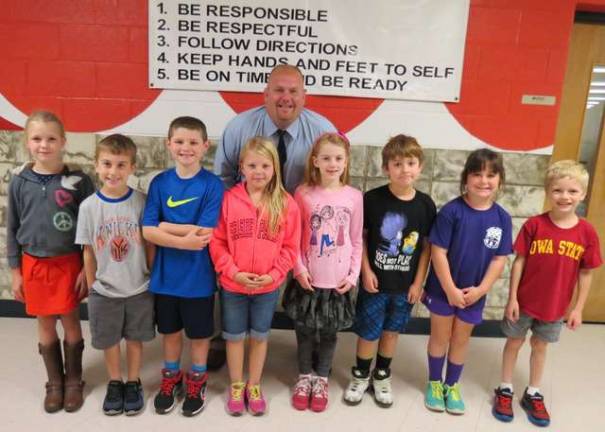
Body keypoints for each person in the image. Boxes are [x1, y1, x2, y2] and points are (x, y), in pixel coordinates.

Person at [211, 64, 336, 369]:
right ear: (265, 94)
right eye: (278, 90)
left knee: (310, 281)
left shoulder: (322, 130)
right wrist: (238, 210)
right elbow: (222, 176)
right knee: (227, 277)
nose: (286, 98)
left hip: (300, 220)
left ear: (304, 96)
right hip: (244, 217)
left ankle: (311, 346)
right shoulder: (239, 127)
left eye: (293, 91)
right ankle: (222, 337)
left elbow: (335, 176)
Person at [492, 160, 602, 427]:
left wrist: (578, 308)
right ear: (547, 192)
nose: (564, 196)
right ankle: (505, 388)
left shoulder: (586, 232)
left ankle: (533, 392)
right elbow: (519, 261)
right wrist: (512, 298)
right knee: (514, 343)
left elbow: (586, 272)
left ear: (583, 194)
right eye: (557, 190)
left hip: (556, 306)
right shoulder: (534, 225)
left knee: (540, 346)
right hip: (525, 302)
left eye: (572, 191)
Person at [7, 110, 94, 413]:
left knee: (70, 319)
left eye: (51, 138)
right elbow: (13, 227)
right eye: (37, 138)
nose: (44, 144)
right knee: (44, 322)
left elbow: (90, 229)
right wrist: (15, 270)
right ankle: (54, 383)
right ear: (27, 142)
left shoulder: (79, 180)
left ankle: (74, 381)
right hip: (33, 264)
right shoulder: (19, 181)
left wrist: (87, 266)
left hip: (69, 263)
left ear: (63, 141)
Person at [209, 137, 301, 416]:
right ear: (242, 167)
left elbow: (291, 246)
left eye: (265, 165)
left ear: (275, 168)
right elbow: (217, 241)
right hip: (232, 285)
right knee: (234, 337)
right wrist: (233, 272)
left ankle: (254, 384)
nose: (258, 171)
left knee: (260, 336)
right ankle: (236, 385)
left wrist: (274, 274)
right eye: (252, 165)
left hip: (267, 287)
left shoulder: (286, 204)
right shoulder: (228, 200)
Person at [342, 135, 436, 407]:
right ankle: (361, 375)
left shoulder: (426, 205)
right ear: (386, 168)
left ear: (420, 167)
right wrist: (365, 271)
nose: (405, 169)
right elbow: (359, 238)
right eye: (397, 163)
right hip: (375, 283)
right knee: (368, 332)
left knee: (391, 332)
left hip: (404, 286)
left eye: (410, 163)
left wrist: (418, 283)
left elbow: (427, 248)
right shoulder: (371, 200)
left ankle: (382, 375)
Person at [142, 116, 224, 417]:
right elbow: (147, 230)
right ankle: (172, 376)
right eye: (179, 141)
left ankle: (197, 380)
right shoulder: (161, 183)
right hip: (166, 278)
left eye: (192, 142)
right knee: (171, 332)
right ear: (168, 144)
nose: (185, 148)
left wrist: (165, 225)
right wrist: (181, 239)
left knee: (200, 335)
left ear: (205, 146)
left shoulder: (213, 185)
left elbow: (206, 233)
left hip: (199, 278)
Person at [422, 148, 512, 415]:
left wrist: (482, 289)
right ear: (466, 178)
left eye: (491, 175)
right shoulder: (452, 211)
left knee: (461, 339)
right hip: (443, 290)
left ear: (500, 180)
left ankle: (452, 385)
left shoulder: (502, 218)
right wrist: (449, 288)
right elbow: (437, 252)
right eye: (477, 174)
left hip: (474, 293)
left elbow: (499, 259)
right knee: (440, 337)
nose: (484, 181)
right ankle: (435, 383)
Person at [75, 134, 155, 416]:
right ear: (96, 165)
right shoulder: (88, 207)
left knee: (135, 338)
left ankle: (133, 381)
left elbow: (149, 243)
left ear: (132, 167)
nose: (113, 171)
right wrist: (93, 283)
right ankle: (115, 382)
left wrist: (150, 274)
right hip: (105, 289)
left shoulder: (142, 202)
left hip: (138, 286)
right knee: (109, 340)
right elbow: (87, 250)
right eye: (107, 164)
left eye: (121, 165)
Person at [282, 132, 362, 412]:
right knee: (304, 331)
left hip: (337, 281)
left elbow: (356, 239)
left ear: (346, 162)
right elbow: (294, 236)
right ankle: (304, 376)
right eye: (326, 158)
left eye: (338, 158)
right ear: (315, 161)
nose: (332, 163)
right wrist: (299, 269)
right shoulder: (303, 193)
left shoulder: (354, 197)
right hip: (308, 279)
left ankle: (322, 377)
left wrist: (352, 276)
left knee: (329, 334)